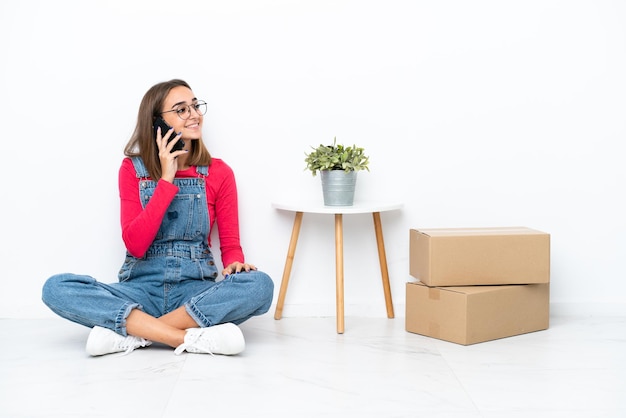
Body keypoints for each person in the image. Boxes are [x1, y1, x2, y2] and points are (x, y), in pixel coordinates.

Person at [42, 79, 274, 357]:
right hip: (140, 291)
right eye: (181, 109)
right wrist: (166, 178)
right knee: (56, 288)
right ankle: (186, 337)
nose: (195, 114)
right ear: (156, 123)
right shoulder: (132, 169)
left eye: (195, 105)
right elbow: (135, 245)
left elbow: (230, 246)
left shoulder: (218, 172)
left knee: (260, 285)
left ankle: (136, 334)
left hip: (193, 293)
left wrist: (236, 266)